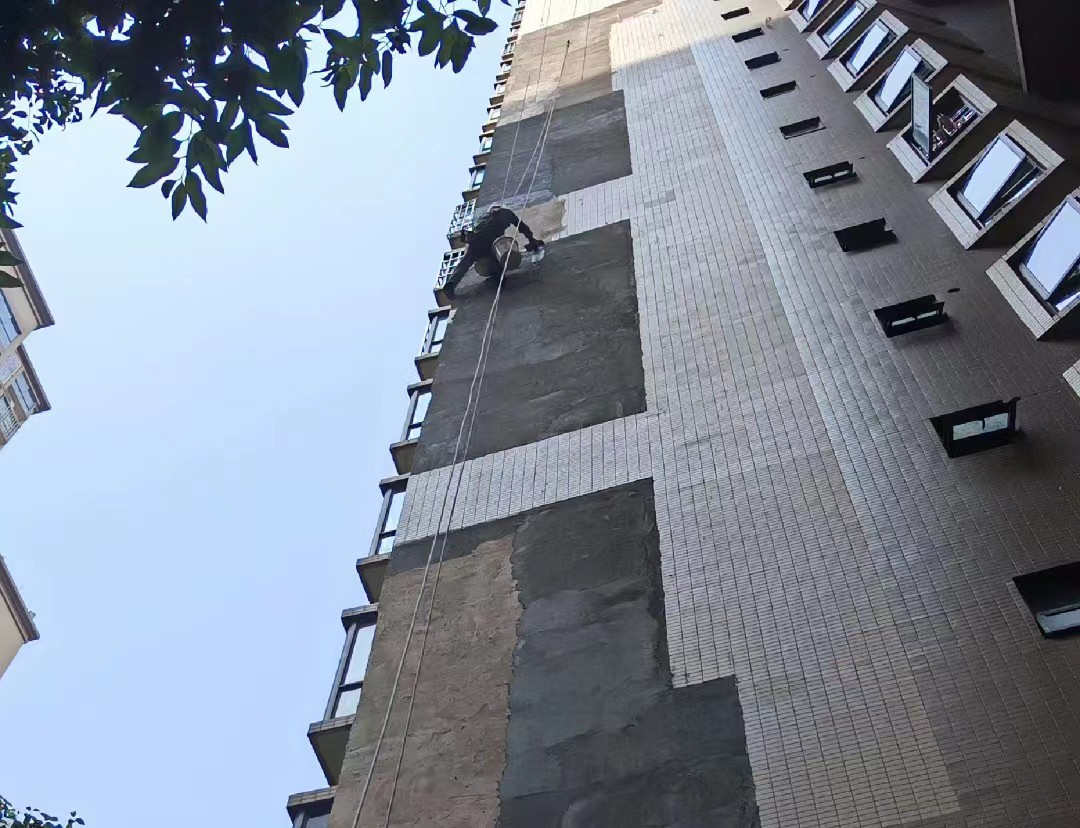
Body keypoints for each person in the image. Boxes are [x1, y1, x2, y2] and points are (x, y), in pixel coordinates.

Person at [443, 205, 544, 298]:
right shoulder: (506, 213)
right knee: (496, 260)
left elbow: (522, 228)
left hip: (476, 239)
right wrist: (532, 241)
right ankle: (500, 282)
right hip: (486, 240)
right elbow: (522, 227)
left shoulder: (484, 217)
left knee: (467, 261)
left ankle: (451, 285)